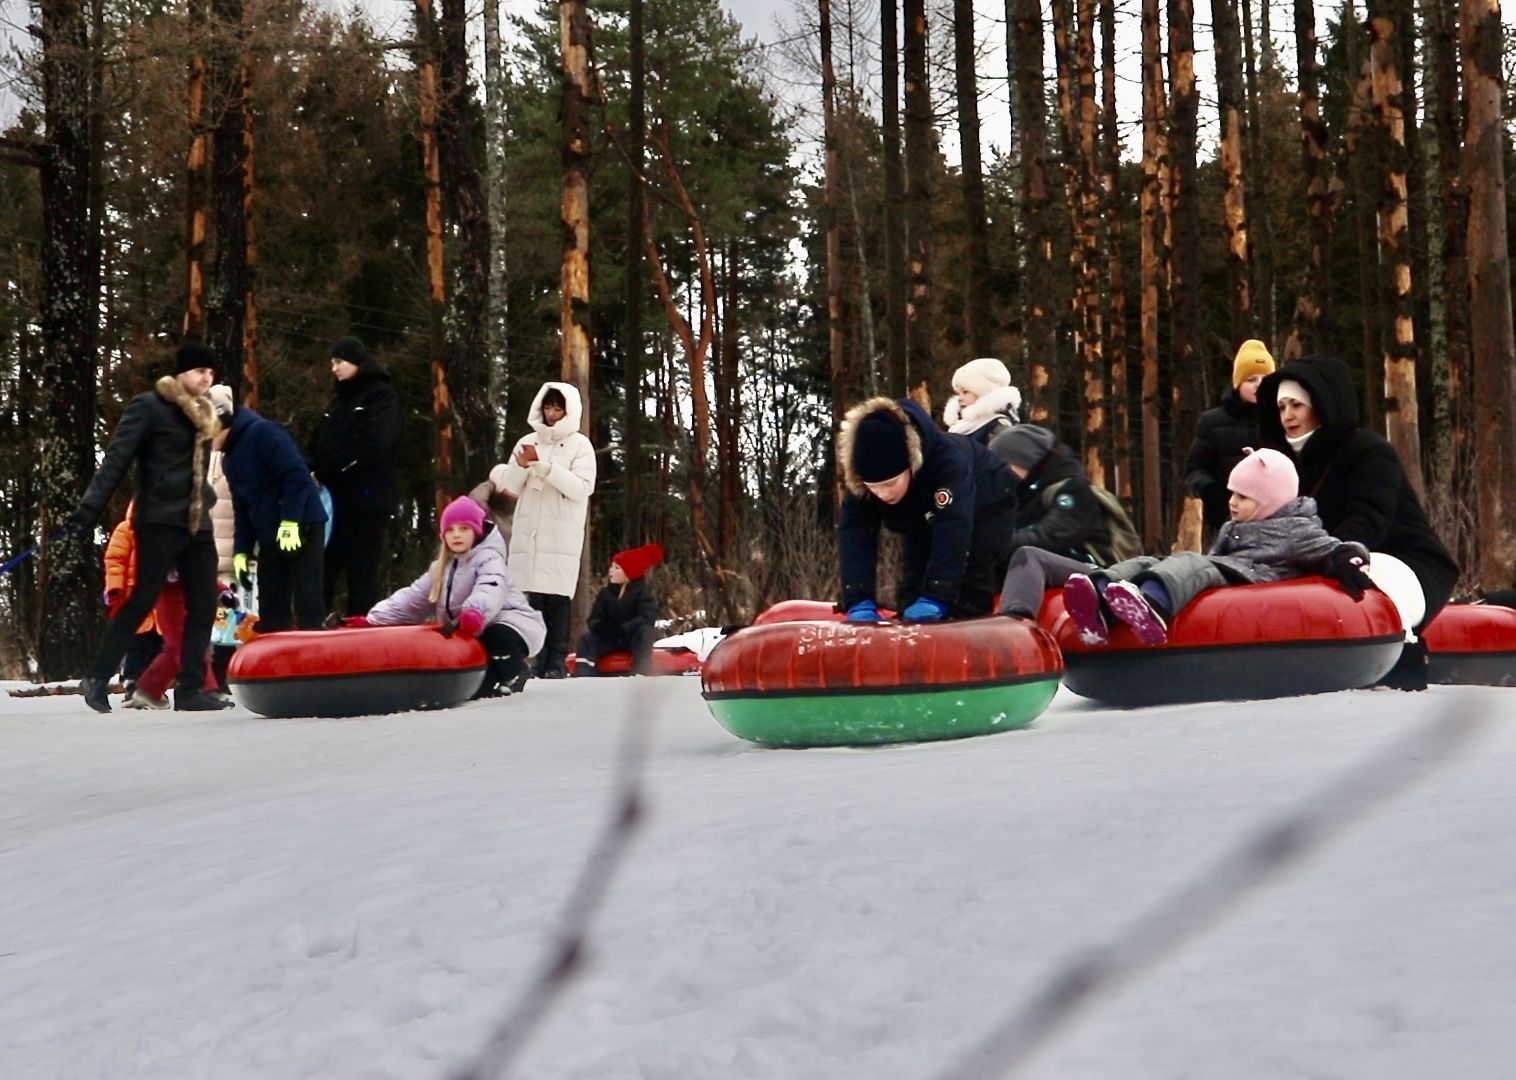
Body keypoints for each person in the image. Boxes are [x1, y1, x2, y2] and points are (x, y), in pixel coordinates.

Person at [997, 449, 1373, 645]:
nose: (1231, 502)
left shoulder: (1294, 528)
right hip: (1224, 567)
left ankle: (1153, 604)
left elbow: (1332, 548)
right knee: (1150, 558)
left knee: (1194, 563)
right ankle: (1098, 596)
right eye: (1231, 494)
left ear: (1270, 500)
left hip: (1250, 579)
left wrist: (1349, 558)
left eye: (1243, 496)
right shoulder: (1236, 524)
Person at [1257, 354, 1459, 689]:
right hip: (1330, 558)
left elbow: (1369, 517)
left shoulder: (1369, 451)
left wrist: (1333, 553)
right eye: (1281, 407)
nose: (1288, 416)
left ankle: (1402, 666)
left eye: (1296, 404)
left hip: (1406, 562)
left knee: (1370, 575)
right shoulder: (1287, 464)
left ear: (1322, 404)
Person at [69, 342, 233, 712]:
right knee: (142, 598)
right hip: (158, 518)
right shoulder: (149, 407)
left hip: (196, 523)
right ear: (181, 373)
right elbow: (116, 459)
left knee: (205, 604)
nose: (205, 378)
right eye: (198, 371)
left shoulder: (204, 414)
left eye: (210, 373)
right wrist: (89, 508)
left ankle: (191, 689)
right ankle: (97, 675)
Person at [837, 396, 1018, 622]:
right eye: (874, 488)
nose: (883, 495)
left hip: (987, 497)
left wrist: (938, 595)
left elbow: (954, 527)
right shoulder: (861, 482)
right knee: (913, 586)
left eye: (890, 484)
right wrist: (858, 598)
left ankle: (975, 643)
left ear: (910, 465)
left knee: (968, 586)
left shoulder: (947, 462)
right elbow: (855, 533)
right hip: (923, 513)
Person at [355, 495, 546, 699]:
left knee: (496, 634)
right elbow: (412, 599)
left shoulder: (489, 558)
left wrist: (476, 611)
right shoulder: (440, 569)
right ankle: (489, 681)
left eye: (464, 529)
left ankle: (514, 673)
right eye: (451, 530)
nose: (457, 535)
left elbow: (490, 587)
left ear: (476, 531)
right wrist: (373, 619)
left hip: (513, 624)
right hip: (470, 631)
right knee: (476, 690)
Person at [488, 382, 597, 678]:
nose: (551, 414)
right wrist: (523, 465)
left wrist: (546, 468)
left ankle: (557, 661)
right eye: (547, 407)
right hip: (528, 532)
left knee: (557, 599)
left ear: (568, 410)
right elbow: (510, 486)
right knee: (531, 599)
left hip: (561, 532)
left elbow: (583, 487)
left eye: (557, 408)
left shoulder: (580, 445)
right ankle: (538, 659)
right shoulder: (526, 440)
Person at [215, 386, 328, 632]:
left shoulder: (263, 433)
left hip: (302, 525)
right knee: (271, 608)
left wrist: (291, 521)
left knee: (307, 601)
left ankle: (315, 657)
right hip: (269, 534)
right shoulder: (229, 459)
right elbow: (242, 508)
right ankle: (277, 657)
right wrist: (241, 551)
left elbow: (296, 476)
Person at [307, 335, 402, 617]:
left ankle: (362, 634)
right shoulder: (338, 401)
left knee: (362, 573)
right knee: (323, 567)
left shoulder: (381, 395)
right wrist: (310, 468)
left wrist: (329, 469)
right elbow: (318, 441)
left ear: (356, 362)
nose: (334, 369)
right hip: (332, 500)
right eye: (332, 363)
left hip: (367, 501)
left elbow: (373, 443)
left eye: (339, 362)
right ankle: (315, 629)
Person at [988, 424, 1116, 566]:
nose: (1000, 472)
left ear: (1026, 459)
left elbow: (1052, 536)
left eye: (1005, 464)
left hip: (1085, 574)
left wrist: (994, 546)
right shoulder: (1023, 492)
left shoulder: (1073, 490)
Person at [1185, 339, 1276, 533]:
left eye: (1264, 380)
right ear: (1238, 383)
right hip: (1226, 521)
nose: (1259, 386)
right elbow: (1195, 471)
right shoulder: (1211, 422)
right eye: (1251, 380)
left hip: (1275, 519)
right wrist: (1211, 494)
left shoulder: (1282, 420)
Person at [575, 543, 663, 676]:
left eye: (616, 568)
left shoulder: (642, 593)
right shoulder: (605, 593)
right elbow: (594, 618)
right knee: (586, 639)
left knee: (645, 633)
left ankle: (641, 672)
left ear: (629, 573)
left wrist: (625, 628)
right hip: (610, 638)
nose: (611, 571)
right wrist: (603, 628)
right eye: (611, 567)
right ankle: (584, 674)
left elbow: (647, 617)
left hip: (631, 637)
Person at [102, 502, 161, 698]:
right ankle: (132, 682)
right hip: (133, 594)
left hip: (160, 598)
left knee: (159, 644)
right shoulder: (126, 529)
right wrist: (115, 587)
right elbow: (115, 560)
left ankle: (150, 686)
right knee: (138, 642)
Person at [941, 357, 1021, 448]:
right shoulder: (960, 426)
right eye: (958, 393)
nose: (959, 398)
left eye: (965, 392)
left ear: (982, 393)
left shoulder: (997, 428)